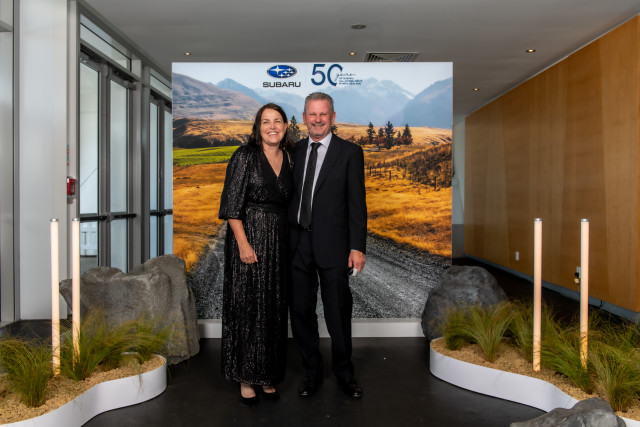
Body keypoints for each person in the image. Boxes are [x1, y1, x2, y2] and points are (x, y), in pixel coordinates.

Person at [288, 92, 367, 398]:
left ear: (333, 117)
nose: (317, 120)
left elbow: (357, 203)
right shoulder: (294, 151)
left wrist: (357, 246)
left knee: (337, 312)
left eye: (323, 114)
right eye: (312, 114)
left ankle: (345, 374)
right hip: (298, 245)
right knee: (301, 312)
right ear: (304, 118)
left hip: (334, 246)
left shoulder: (350, 152)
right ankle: (312, 372)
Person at [218, 103, 294, 406]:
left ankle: (267, 374)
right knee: (247, 306)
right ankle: (246, 377)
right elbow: (231, 206)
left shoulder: (290, 157)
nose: (272, 126)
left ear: (286, 126)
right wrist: (244, 244)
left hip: (278, 242)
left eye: (277, 121)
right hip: (249, 239)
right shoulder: (245, 156)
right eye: (266, 121)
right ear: (258, 127)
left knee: (273, 308)